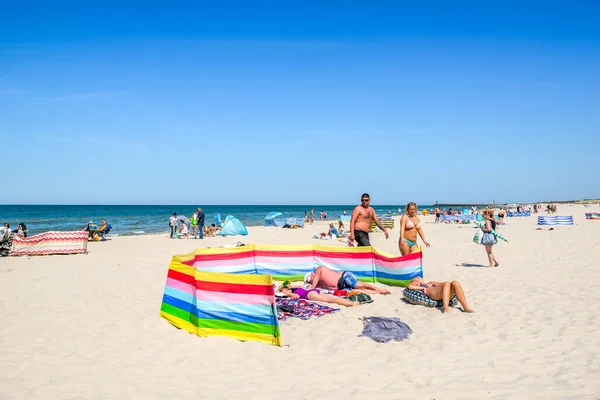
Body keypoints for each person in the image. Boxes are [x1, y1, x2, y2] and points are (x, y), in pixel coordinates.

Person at [305, 266, 390, 294]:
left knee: (357, 285)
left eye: (309, 279)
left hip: (343, 277)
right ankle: (378, 292)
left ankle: (377, 289)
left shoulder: (319, 270)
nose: (310, 281)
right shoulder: (319, 285)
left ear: (312, 274)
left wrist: (312, 286)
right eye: (308, 281)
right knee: (357, 290)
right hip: (341, 288)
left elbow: (315, 280)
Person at [408, 276, 473, 313]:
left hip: (441, 292)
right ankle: (446, 308)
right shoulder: (418, 284)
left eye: (418, 277)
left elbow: (445, 284)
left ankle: (466, 308)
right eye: (415, 278)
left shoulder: (430, 282)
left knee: (455, 282)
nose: (417, 277)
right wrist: (422, 287)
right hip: (433, 293)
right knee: (446, 284)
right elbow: (409, 287)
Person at [280, 283, 358, 307]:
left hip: (309, 294)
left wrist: (289, 294)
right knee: (331, 298)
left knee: (331, 300)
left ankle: (351, 304)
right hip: (314, 291)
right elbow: (300, 286)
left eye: (281, 289)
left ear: (284, 289)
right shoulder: (295, 288)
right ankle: (350, 302)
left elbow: (297, 296)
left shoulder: (289, 292)